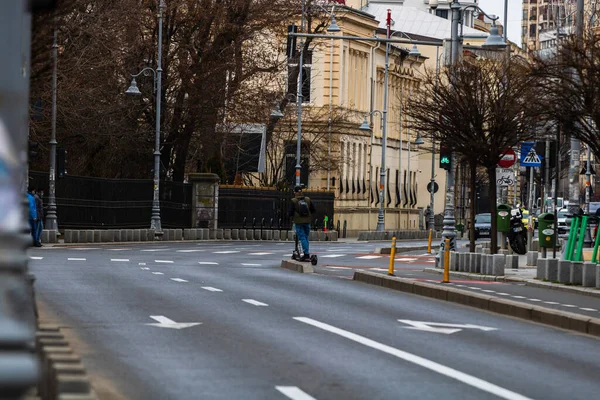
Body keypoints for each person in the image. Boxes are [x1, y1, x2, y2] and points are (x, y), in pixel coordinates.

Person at [288, 185, 316, 261]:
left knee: (302, 237)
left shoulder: (293, 201)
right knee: (306, 238)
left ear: (295, 192)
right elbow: (313, 210)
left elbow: (290, 213)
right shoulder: (307, 199)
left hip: (298, 222)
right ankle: (306, 252)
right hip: (307, 221)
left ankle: (306, 255)